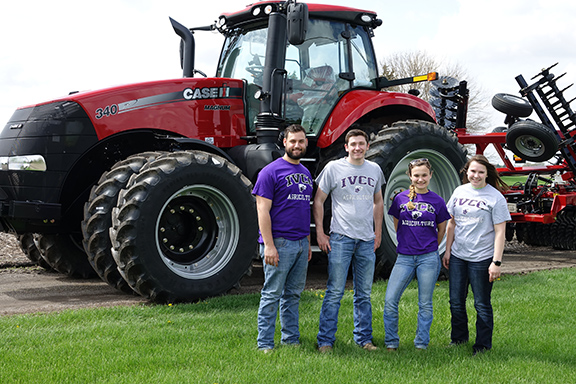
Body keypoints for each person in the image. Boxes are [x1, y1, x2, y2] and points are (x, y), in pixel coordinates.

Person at [314, 129, 385, 353]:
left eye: (361, 144)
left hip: (366, 240)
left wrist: (378, 232)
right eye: (353, 144)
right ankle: (325, 341)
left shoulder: (374, 170)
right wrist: (320, 233)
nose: (357, 148)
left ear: (367, 146)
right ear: (346, 147)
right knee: (335, 291)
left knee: (363, 293)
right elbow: (318, 201)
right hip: (341, 238)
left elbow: (378, 202)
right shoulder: (333, 168)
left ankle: (364, 340)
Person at [442, 154, 511, 355]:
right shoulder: (459, 191)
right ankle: (459, 339)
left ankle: (482, 346)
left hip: (482, 259)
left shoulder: (495, 197)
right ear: (467, 171)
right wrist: (447, 251)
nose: (476, 175)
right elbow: (451, 223)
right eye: (473, 171)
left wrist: (496, 262)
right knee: (455, 301)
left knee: (481, 303)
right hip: (458, 256)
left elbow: (500, 232)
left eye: (481, 172)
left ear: (487, 174)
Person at [253, 124, 313, 353]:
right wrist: (268, 245)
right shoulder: (270, 172)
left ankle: (291, 339)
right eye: (292, 141)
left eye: (301, 141)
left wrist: (307, 242)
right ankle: (265, 344)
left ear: (306, 143)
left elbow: (303, 210)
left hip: (300, 243)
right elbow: (262, 211)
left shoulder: (306, 173)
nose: (297, 145)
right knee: (272, 295)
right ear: (284, 143)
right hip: (279, 243)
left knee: (293, 295)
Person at [384, 158, 451, 351]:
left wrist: (429, 247)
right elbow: (397, 225)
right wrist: (407, 243)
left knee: (425, 303)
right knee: (390, 301)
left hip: (428, 258)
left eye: (424, 175)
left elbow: (441, 230)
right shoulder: (400, 199)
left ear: (430, 176)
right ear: (410, 176)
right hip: (404, 257)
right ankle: (391, 342)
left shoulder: (437, 201)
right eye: (416, 175)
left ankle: (421, 343)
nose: (420, 179)